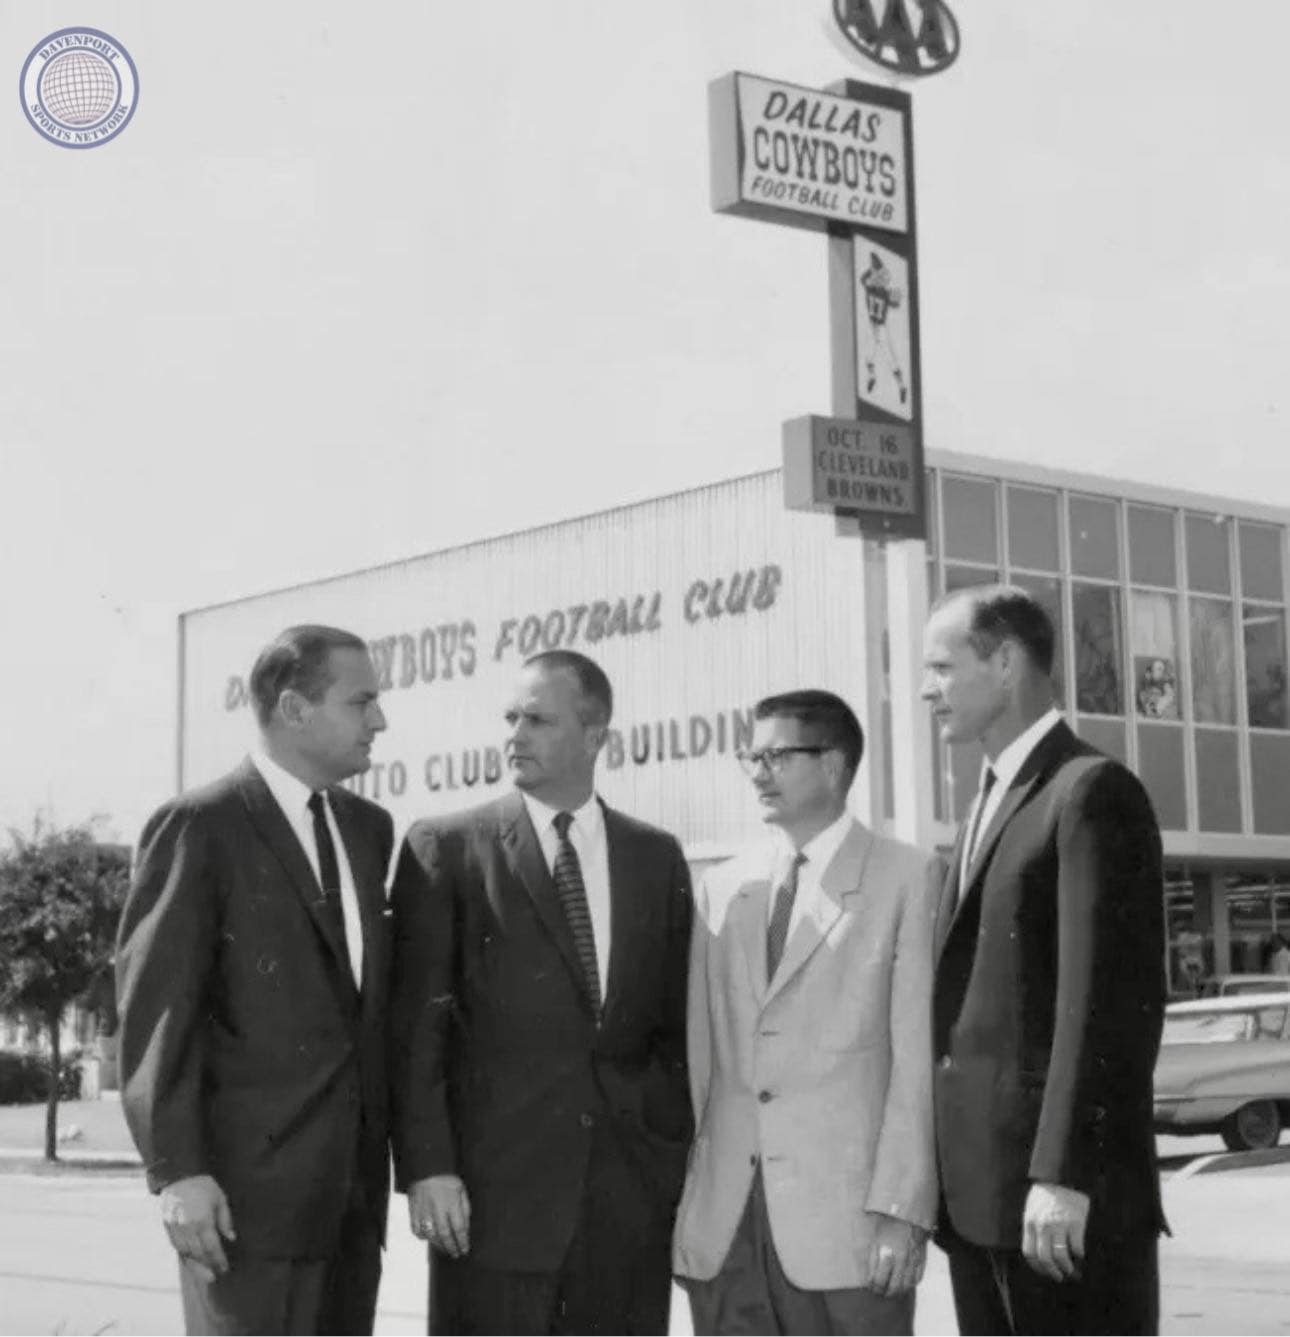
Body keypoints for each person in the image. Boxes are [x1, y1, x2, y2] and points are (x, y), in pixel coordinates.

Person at [388, 649, 693, 1335]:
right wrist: (428, 1167)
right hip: (492, 1210)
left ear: (595, 736)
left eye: (539, 720)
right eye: (512, 718)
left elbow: (674, 1031)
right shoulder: (448, 847)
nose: (515, 735)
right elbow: (416, 1032)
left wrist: (666, 1165)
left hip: (626, 1209)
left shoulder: (656, 856)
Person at [116, 625, 394, 1336]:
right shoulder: (199, 826)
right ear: (295, 708)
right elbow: (156, 1012)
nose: (380, 720)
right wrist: (177, 1171)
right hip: (241, 1211)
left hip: (349, 1209)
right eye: (361, 701)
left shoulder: (369, 829)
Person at [921, 585, 1167, 1335]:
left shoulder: (1088, 791)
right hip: (984, 1207)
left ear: (1004, 662)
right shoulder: (988, 800)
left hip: (1056, 1208)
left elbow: (1109, 1005)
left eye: (941, 666)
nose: (927, 688)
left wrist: (1063, 1173)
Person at [674, 690, 942, 1336]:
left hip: (849, 1229)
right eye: (752, 755)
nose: (757, 771)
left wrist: (902, 1210)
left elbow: (915, 1062)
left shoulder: (907, 877)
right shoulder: (721, 887)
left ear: (833, 765)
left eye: (777, 755)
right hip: (730, 1225)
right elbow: (701, 1060)